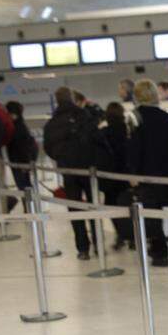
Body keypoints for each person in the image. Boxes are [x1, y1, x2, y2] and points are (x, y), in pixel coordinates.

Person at [125, 79, 168, 267]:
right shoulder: (166, 116)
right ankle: (158, 247)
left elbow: (133, 148)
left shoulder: (134, 117)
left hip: (145, 172)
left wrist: (133, 173)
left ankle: (160, 251)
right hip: (164, 171)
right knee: (159, 211)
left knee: (150, 212)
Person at [42, 86, 98, 260]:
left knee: (74, 209)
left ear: (57, 101)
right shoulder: (83, 115)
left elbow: (48, 148)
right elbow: (94, 138)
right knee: (93, 206)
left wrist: (61, 158)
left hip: (68, 170)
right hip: (88, 169)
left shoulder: (52, 123)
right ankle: (98, 243)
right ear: (72, 98)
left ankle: (83, 248)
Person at [96, 101, 132, 251]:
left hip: (109, 177)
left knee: (112, 207)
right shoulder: (129, 132)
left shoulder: (103, 134)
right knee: (129, 207)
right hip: (126, 176)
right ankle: (133, 236)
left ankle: (121, 235)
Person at [4, 100, 39, 195]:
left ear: (12, 113)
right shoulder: (19, 125)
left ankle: (29, 208)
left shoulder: (18, 128)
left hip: (19, 163)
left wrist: (25, 164)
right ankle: (29, 208)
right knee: (25, 187)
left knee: (24, 187)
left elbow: (23, 148)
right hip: (20, 162)